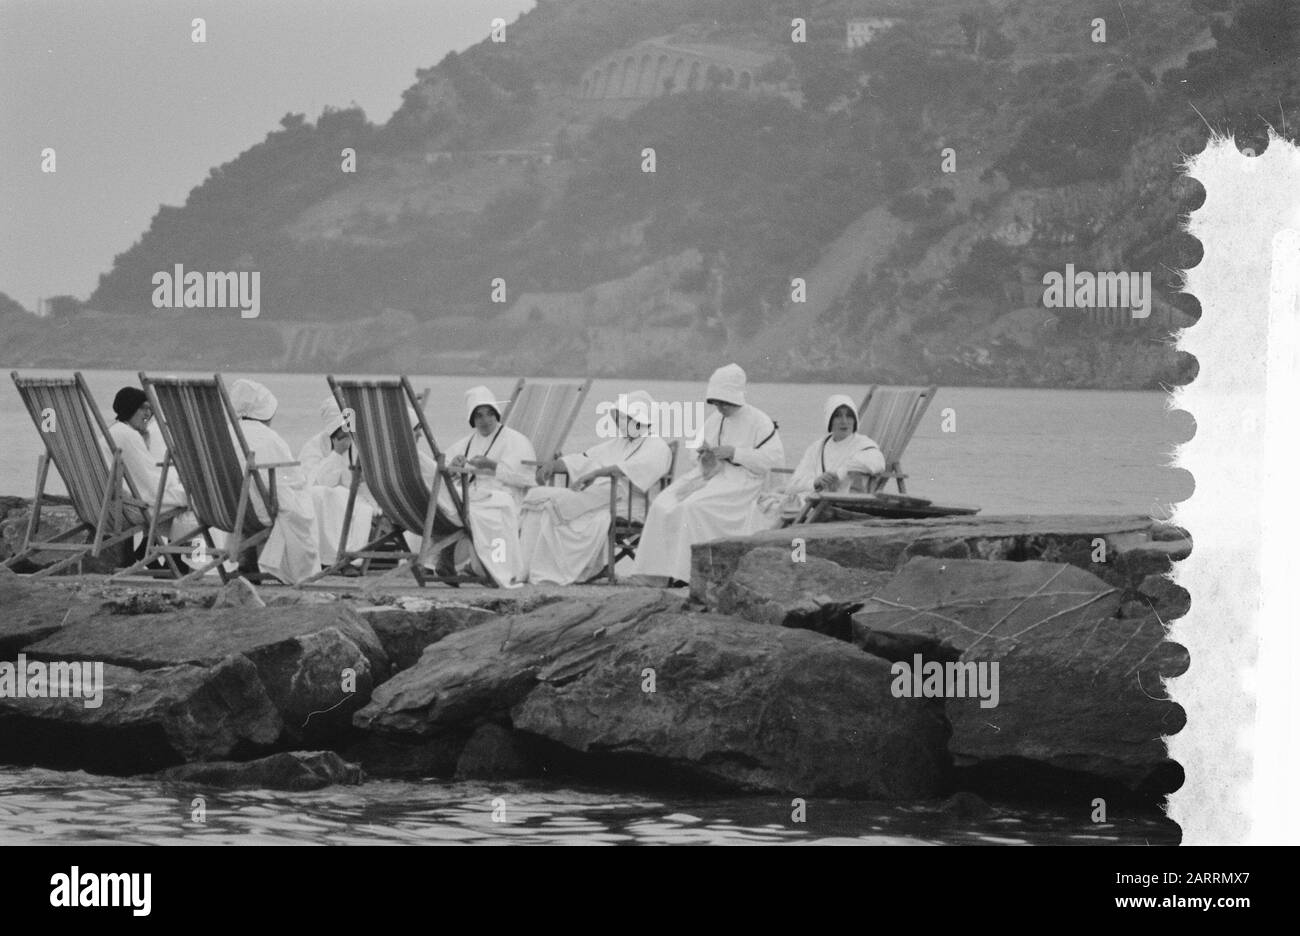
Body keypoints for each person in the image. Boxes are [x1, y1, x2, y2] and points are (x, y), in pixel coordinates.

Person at [633, 363, 784, 585]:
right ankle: (657, 573)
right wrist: (703, 455)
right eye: (716, 402)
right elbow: (695, 455)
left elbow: (771, 461)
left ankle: (689, 574)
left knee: (693, 507)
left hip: (741, 481)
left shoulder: (759, 421)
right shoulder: (715, 419)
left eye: (724, 402)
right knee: (662, 503)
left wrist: (735, 453)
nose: (720, 407)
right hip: (710, 476)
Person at [519, 390, 673, 585]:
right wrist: (553, 465)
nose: (618, 423)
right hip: (601, 498)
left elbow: (635, 469)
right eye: (617, 418)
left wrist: (596, 474)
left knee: (553, 505)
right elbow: (584, 459)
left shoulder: (657, 446)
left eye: (622, 418)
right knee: (539, 497)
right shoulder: (619, 443)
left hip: (630, 503)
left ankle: (558, 571)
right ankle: (526, 569)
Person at [409, 386, 535, 587]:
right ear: (472, 420)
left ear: (496, 414)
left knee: (471, 509)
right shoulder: (467, 442)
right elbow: (444, 469)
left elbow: (526, 478)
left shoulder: (516, 440)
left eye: (488, 415)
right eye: (478, 416)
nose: (484, 421)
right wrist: (455, 467)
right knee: (451, 506)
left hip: (505, 495)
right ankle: (454, 561)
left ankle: (487, 567)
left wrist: (492, 466)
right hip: (473, 496)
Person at [228, 378, 320, 584]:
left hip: (225, 510)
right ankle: (295, 572)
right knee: (297, 504)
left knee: (262, 494)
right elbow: (293, 476)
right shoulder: (268, 438)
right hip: (254, 512)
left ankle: (247, 562)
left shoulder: (224, 434)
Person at [107, 386, 196, 570]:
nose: (149, 414)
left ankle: (151, 550)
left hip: (111, 505)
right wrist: (184, 487)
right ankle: (187, 562)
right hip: (128, 509)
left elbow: (144, 476)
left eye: (151, 409)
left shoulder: (115, 431)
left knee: (186, 502)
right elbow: (152, 481)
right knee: (196, 505)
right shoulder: (129, 435)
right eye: (144, 408)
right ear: (131, 408)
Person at [763, 394, 886, 520]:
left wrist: (839, 473)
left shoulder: (864, 444)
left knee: (777, 509)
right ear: (829, 419)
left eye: (849, 415)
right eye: (838, 416)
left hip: (839, 507)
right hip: (813, 502)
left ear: (855, 420)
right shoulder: (818, 447)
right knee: (764, 501)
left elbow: (878, 463)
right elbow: (794, 484)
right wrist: (816, 482)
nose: (844, 421)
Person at [298, 396, 375, 571]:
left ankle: (345, 558)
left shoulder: (361, 442)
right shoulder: (314, 446)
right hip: (326, 501)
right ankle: (331, 557)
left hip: (358, 499)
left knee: (338, 497)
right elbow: (311, 482)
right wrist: (336, 454)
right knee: (321, 494)